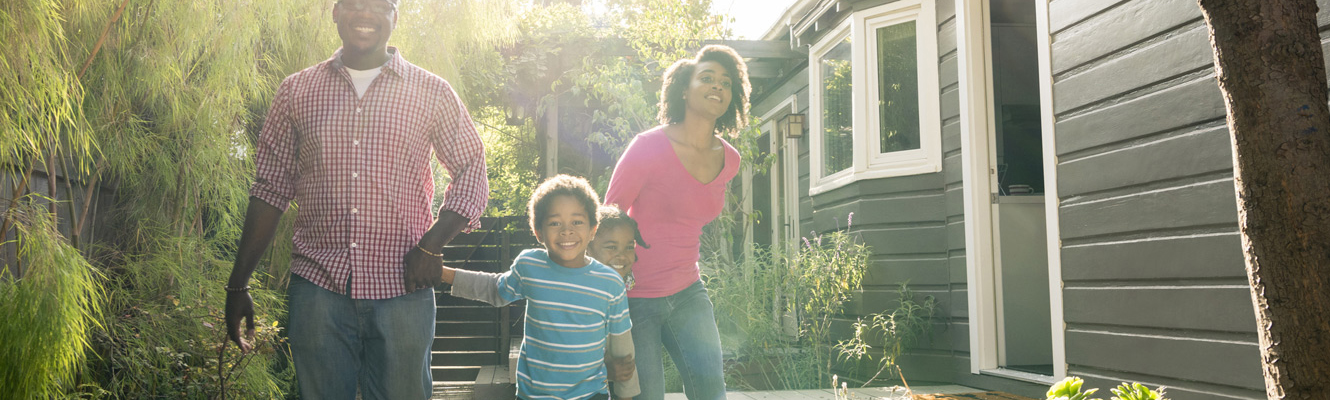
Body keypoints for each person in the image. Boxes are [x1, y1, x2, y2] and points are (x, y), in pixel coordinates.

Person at [222, 0, 489, 398]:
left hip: (404, 290)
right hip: (318, 289)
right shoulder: (296, 91)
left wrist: (431, 246)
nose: (365, 13)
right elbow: (270, 189)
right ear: (335, 11)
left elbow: (472, 168)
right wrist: (237, 284)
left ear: (394, 16)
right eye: (354, 3)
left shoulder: (432, 92)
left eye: (379, 5)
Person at [604, 44, 750, 400]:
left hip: (688, 292)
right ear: (685, 88)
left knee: (711, 393)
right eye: (708, 78)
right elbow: (606, 220)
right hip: (634, 297)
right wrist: (604, 309)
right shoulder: (647, 147)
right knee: (644, 396)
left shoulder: (730, 160)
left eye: (726, 82)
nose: (718, 86)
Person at [443, 175, 639, 400]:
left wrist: (625, 393)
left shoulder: (610, 283)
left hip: (591, 395)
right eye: (555, 222)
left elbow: (623, 350)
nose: (567, 231)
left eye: (577, 221)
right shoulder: (529, 266)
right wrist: (443, 273)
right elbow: (495, 289)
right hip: (534, 396)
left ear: (593, 229)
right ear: (538, 232)